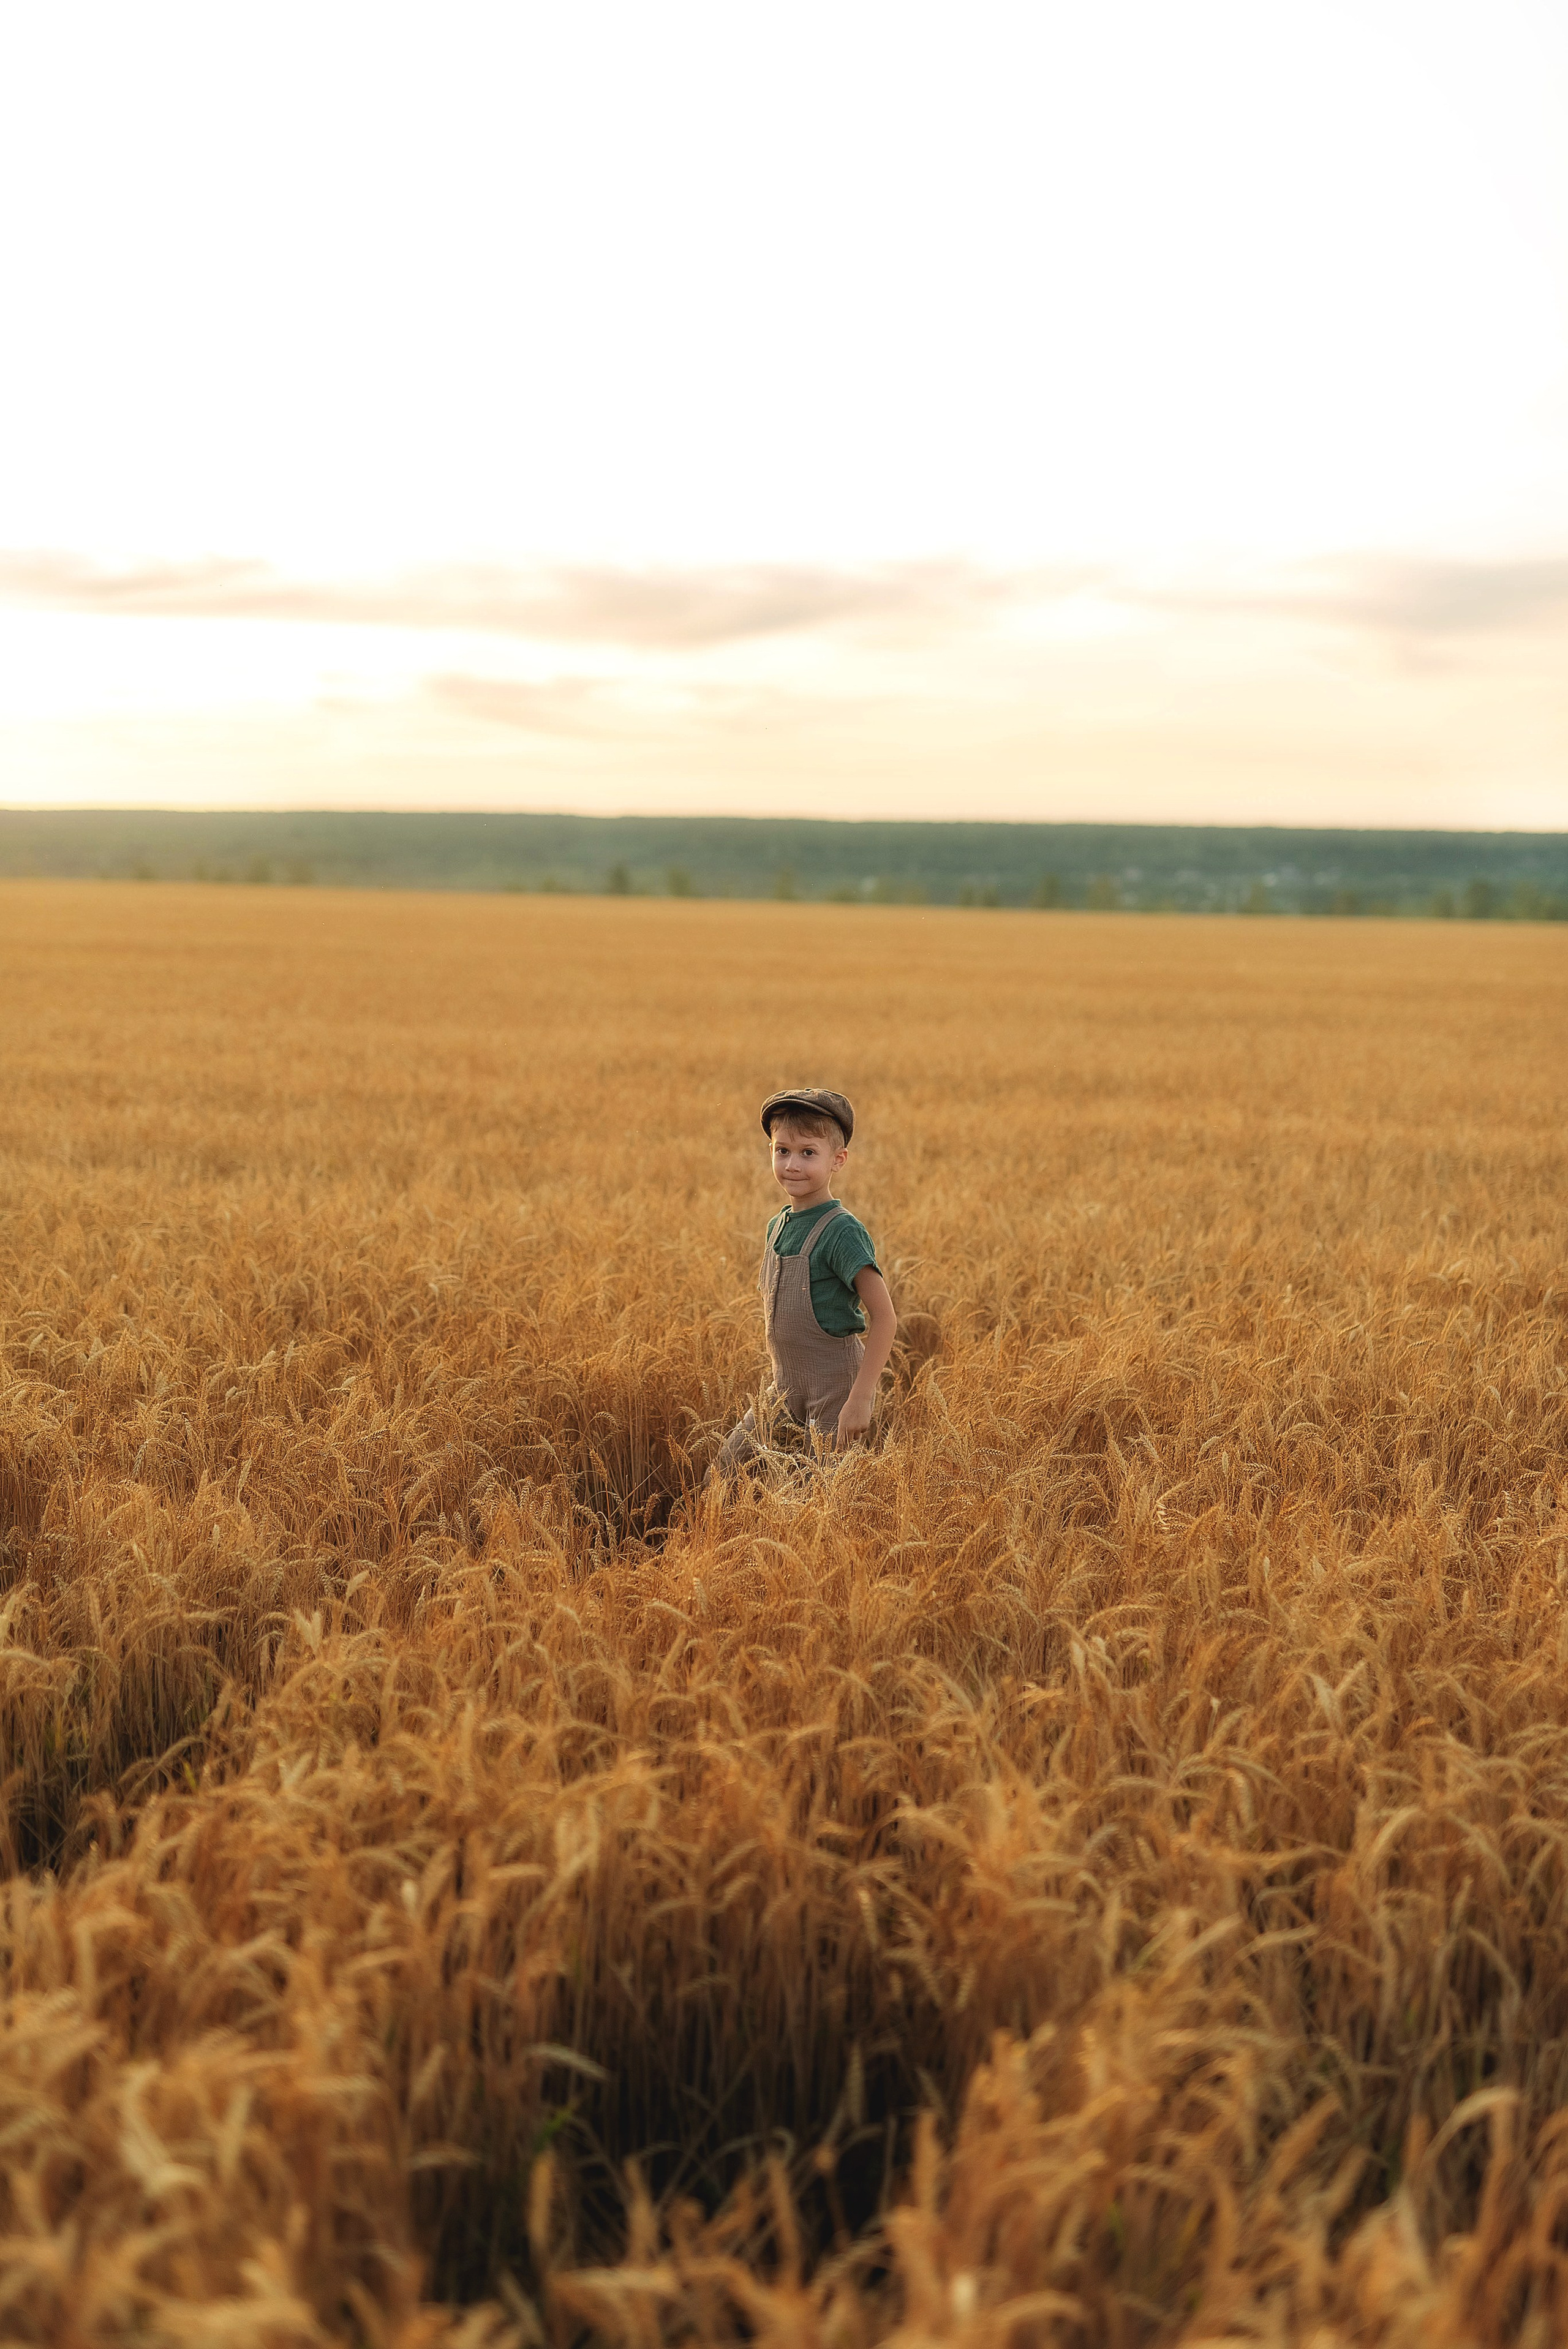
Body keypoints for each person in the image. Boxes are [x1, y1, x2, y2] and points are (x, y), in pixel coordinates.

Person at [716, 1087, 898, 1475]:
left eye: (808, 1153)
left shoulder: (842, 1232)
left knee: (821, 1490)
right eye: (782, 1151)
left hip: (835, 1390)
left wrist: (860, 1398)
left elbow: (884, 1317)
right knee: (728, 1467)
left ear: (838, 1160)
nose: (793, 1165)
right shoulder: (778, 1226)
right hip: (784, 1387)